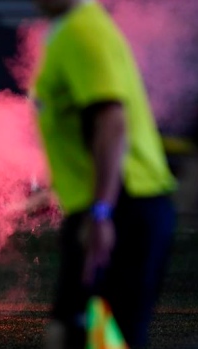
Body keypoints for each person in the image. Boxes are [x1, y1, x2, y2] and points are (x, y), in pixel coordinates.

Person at [30, 0, 178, 348]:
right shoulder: (70, 30)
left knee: (96, 337)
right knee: (73, 333)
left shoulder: (82, 30)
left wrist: (101, 213)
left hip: (121, 207)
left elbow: (111, 122)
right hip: (106, 207)